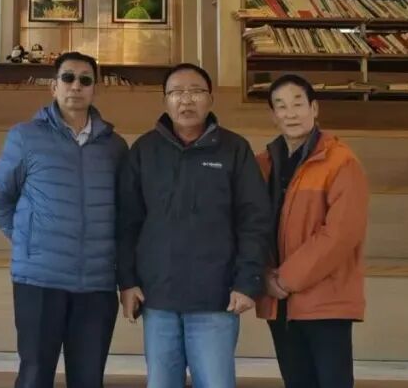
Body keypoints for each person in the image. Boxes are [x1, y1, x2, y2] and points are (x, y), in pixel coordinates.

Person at [117, 63, 270, 388]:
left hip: (216, 299)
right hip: (158, 298)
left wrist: (247, 282)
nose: (186, 100)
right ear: (165, 101)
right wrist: (127, 282)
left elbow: (254, 220)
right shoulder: (144, 150)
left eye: (196, 91)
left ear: (211, 99)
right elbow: (127, 222)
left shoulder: (234, 149)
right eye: (176, 92)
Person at [0, 51, 128, 388]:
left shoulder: (115, 147)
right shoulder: (25, 136)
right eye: (67, 78)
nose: (75, 86)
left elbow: (125, 212)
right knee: (35, 375)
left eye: (85, 80)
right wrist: (28, 241)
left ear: (95, 89)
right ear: (53, 86)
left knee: (88, 378)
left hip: (96, 282)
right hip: (39, 280)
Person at [255, 74, 369, 388]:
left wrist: (284, 279)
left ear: (314, 108)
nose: (290, 113)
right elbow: (251, 227)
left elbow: (341, 234)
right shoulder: (262, 164)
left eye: (298, 104)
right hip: (279, 304)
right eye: (281, 106)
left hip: (325, 301)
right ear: (273, 115)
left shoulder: (341, 162)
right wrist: (263, 275)